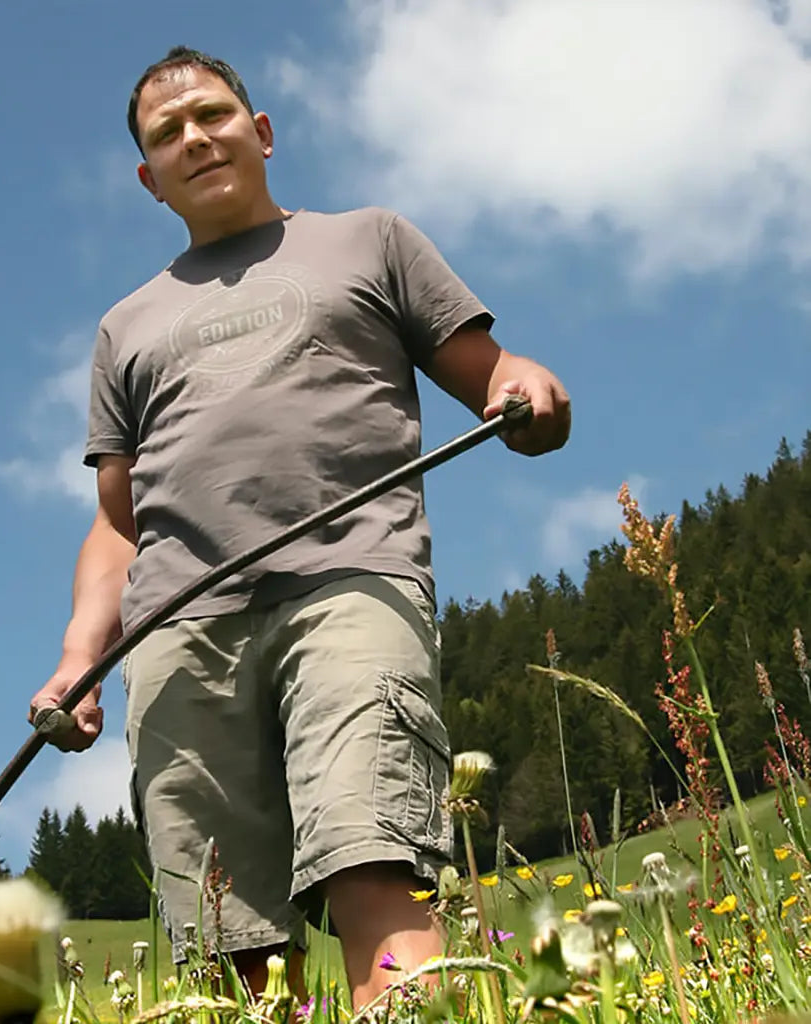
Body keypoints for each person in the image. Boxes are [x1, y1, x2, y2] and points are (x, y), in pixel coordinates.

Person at [29, 46, 571, 1008]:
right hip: (177, 632)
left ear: (262, 132)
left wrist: (522, 388)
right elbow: (119, 526)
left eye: (213, 115)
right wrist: (79, 656)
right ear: (148, 181)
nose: (194, 138)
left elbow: (486, 372)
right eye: (167, 135)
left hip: (351, 585)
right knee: (222, 930)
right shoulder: (126, 326)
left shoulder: (371, 240)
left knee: (373, 851)